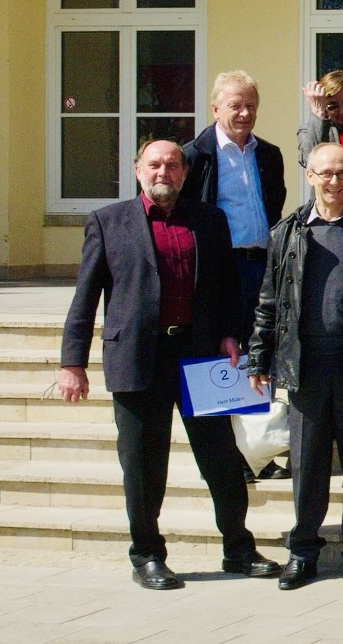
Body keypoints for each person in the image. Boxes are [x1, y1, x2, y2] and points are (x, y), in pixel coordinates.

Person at [57, 139, 274, 589]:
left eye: (172, 165)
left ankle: (238, 547)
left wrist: (232, 333)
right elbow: (85, 298)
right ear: (138, 171)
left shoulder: (210, 221)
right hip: (139, 359)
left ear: (184, 172)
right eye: (154, 164)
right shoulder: (107, 222)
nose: (164, 172)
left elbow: (229, 288)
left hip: (199, 359)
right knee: (142, 465)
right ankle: (147, 555)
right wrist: (71, 362)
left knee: (222, 461)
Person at [246, 143, 343, 590]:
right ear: (310, 177)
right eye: (325, 173)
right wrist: (260, 355)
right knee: (307, 460)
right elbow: (269, 301)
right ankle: (304, 550)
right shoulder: (287, 233)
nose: (333, 181)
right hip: (304, 363)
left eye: (342, 173)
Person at [181, 70, 286, 313]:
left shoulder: (269, 155)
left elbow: (274, 207)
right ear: (216, 109)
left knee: (261, 344)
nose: (245, 113)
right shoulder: (194, 156)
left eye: (250, 106)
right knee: (223, 345)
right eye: (235, 106)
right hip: (220, 267)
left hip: (263, 266)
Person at [296, 68, 343, 175]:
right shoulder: (309, 130)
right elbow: (308, 160)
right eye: (333, 106)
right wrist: (318, 112)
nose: (342, 111)